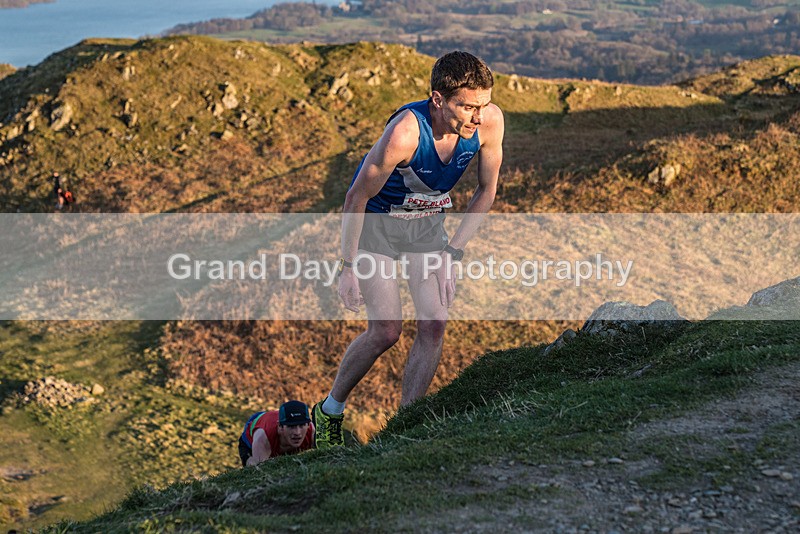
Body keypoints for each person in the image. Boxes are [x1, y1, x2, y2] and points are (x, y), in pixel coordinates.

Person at [312, 51, 504, 449]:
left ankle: (406, 424)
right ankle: (330, 410)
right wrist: (347, 266)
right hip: (378, 226)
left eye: (483, 105)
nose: (477, 116)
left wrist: (453, 252)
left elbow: (487, 191)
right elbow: (355, 197)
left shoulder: (490, 123)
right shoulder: (405, 133)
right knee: (386, 331)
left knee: (434, 323)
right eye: (467, 106)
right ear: (438, 100)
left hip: (426, 228)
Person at [238, 400, 315, 467]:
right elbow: (261, 473)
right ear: (280, 427)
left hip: (273, 418)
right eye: (291, 426)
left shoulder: (312, 432)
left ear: (308, 425)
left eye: (302, 425)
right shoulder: (263, 438)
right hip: (256, 425)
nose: (297, 433)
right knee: (254, 464)